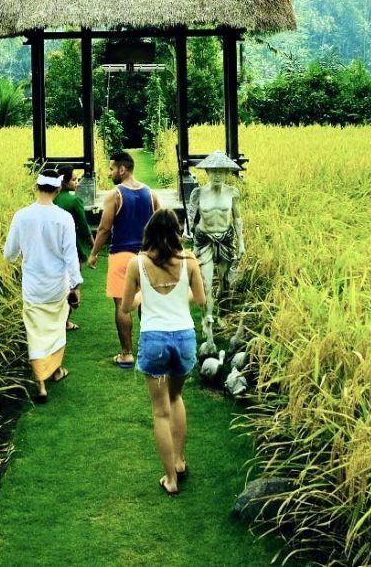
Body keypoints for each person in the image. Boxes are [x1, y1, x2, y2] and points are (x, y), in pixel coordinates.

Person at [120, 209, 206, 495]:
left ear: (150, 233)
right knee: (176, 396)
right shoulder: (189, 259)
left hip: (154, 339)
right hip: (183, 337)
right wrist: (180, 292)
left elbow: (126, 307)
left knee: (160, 412)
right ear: (176, 232)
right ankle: (180, 462)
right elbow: (200, 299)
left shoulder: (137, 263)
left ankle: (170, 479)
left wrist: (146, 294)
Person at [3, 169, 83, 404]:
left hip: (33, 285)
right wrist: (75, 284)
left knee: (35, 331)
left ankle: (40, 384)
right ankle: (56, 370)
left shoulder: (21, 216)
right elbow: (70, 255)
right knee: (56, 327)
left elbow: (9, 254)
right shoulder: (63, 218)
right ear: (58, 189)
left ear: (36, 187)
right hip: (56, 284)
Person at [87, 151, 160, 367]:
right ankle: (150, 351)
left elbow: (104, 228)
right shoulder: (150, 194)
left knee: (122, 304)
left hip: (121, 257)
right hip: (147, 257)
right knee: (147, 303)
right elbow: (161, 222)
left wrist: (93, 254)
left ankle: (127, 354)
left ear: (122, 169)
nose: (109, 173)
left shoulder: (115, 195)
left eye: (111, 169)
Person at [187, 151, 244, 347]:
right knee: (206, 283)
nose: (218, 175)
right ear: (208, 172)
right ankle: (207, 321)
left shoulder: (232, 193)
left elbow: (237, 218)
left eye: (222, 171)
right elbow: (190, 216)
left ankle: (221, 313)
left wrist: (241, 242)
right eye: (214, 172)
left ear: (227, 172)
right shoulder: (199, 193)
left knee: (225, 282)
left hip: (226, 239)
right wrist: (187, 232)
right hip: (205, 240)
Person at [54, 165, 94, 331]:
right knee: (72, 284)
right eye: (74, 179)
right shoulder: (74, 201)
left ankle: (56, 320)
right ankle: (65, 320)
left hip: (54, 246)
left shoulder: (52, 200)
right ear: (64, 182)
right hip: (73, 245)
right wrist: (94, 245)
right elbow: (84, 227)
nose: (77, 182)